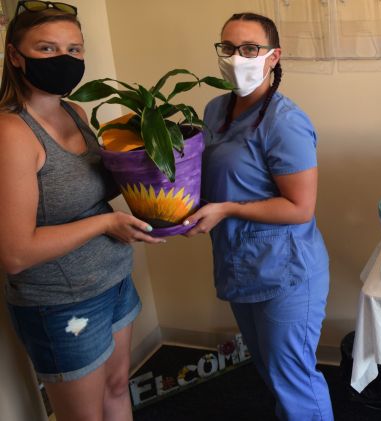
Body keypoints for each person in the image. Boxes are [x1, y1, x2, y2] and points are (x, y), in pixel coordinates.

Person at [0, 2, 162, 420]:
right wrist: (106, 222)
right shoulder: (12, 133)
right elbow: (15, 253)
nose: (65, 60)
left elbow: (97, 186)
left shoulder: (73, 111)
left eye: (74, 50)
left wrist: (152, 152)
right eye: (48, 49)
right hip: (61, 302)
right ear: (15, 55)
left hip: (112, 279)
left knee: (116, 387)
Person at [183, 12, 333, 420]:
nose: (237, 58)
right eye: (228, 48)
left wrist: (226, 208)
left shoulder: (285, 122)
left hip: (286, 273)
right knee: (269, 371)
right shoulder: (215, 109)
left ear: (273, 57)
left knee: (292, 380)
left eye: (250, 49)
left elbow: (300, 207)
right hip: (240, 262)